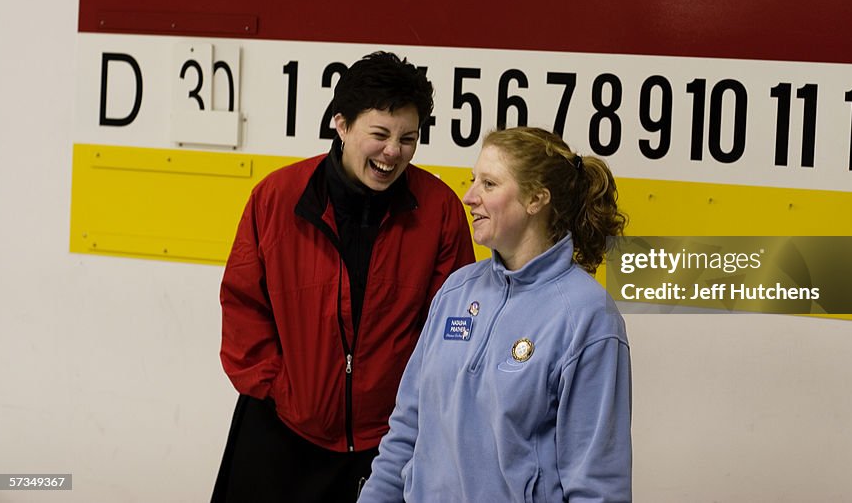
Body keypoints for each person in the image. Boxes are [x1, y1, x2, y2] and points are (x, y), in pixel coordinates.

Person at [212, 51, 476, 502]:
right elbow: (243, 305)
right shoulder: (275, 199)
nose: (393, 151)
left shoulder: (440, 211)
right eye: (380, 134)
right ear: (341, 124)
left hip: (387, 445)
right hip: (280, 432)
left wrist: (416, 411)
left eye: (408, 138)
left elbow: (456, 328)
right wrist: (281, 389)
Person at [359, 126, 632, 503]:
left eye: (488, 184)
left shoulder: (587, 318)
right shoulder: (456, 292)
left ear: (536, 199)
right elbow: (406, 430)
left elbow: (597, 484)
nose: (469, 197)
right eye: (474, 181)